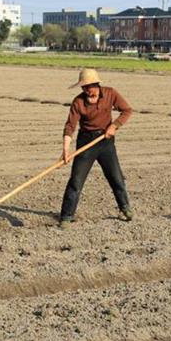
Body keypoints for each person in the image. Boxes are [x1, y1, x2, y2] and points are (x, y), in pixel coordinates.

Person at [59, 68, 134, 228]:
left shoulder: (110, 93)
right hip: (86, 142)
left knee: (116, 177)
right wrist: (66, 150)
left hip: (106, 141)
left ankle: (125, 207)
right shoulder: (78, 102)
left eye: (89, 87)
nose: (86, 91)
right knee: (76, 181)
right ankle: (66, 216)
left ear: (97, 85)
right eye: (84, 88)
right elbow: (70, 126)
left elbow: (127, 110)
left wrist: (114, 126)